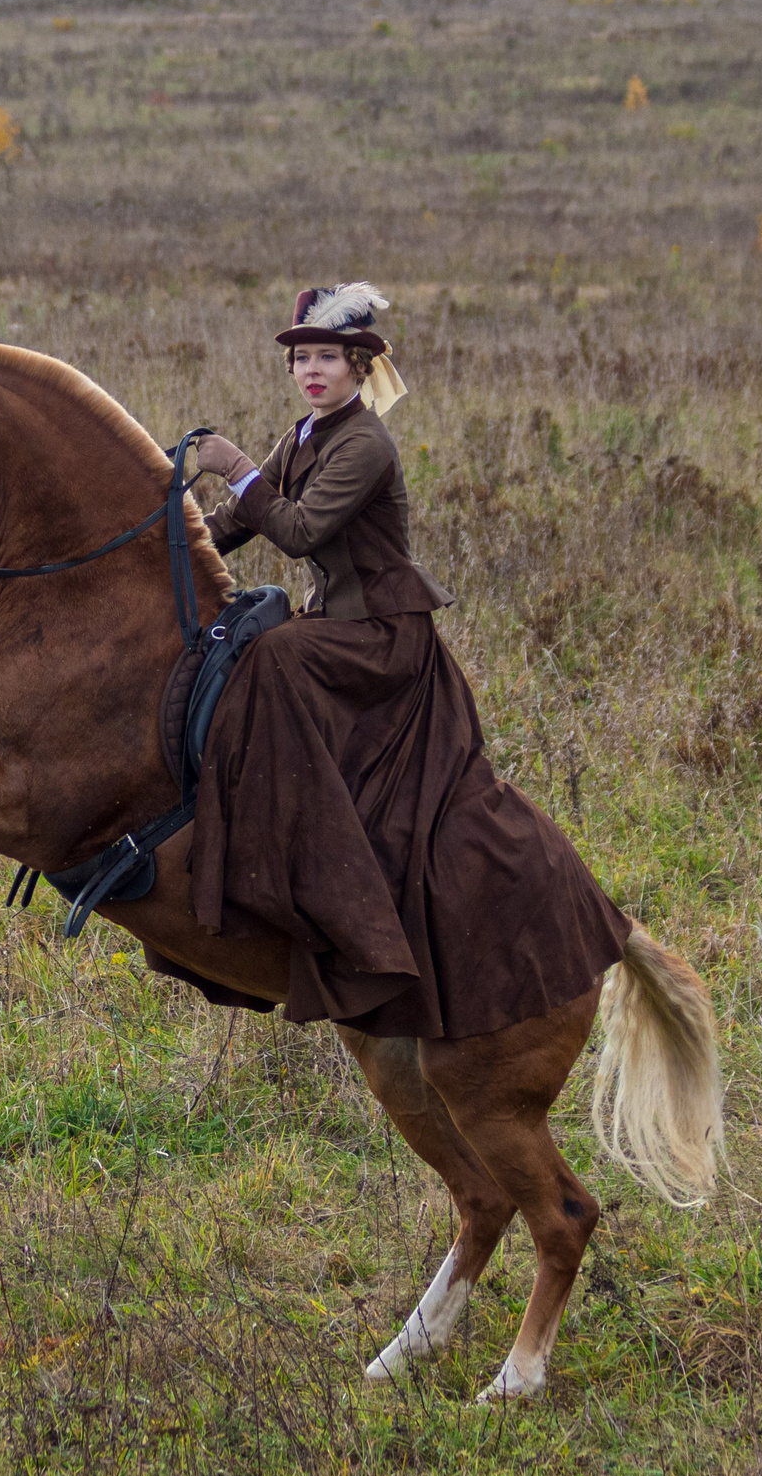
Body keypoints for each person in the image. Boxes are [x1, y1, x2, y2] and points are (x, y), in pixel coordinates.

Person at [173, 285, 633, 1041]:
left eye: (327, 357)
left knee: (271, 654)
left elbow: (295, 527)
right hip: (344, 624)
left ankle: (267, 843)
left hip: (382, 636)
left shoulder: (365, 445)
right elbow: (240, 523)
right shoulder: (308, 434)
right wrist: (177, 534)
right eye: (303, 358)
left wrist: (235, 465)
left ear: (358, 366)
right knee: (262, 640)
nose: (313, 370)